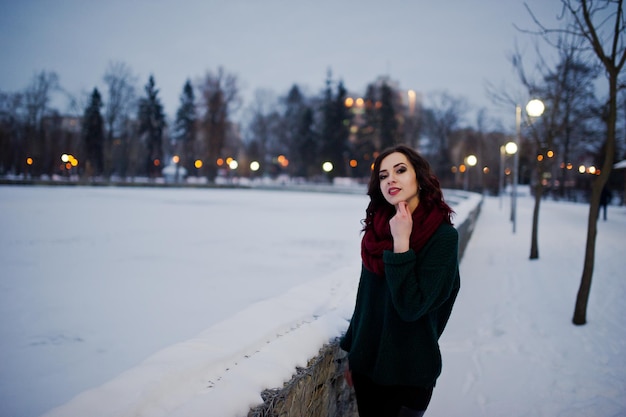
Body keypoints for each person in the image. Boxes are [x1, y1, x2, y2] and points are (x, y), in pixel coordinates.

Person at [340, 145, 460, 417]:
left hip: (409, 375)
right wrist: (353, 353)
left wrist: (402, 244)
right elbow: (366, 299)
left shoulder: (443, 239)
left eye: (400, 170)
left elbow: (411, 306)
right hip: (367, 370)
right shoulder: (376, 232)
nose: (390, 179)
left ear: (419, 177)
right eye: (383, 176)